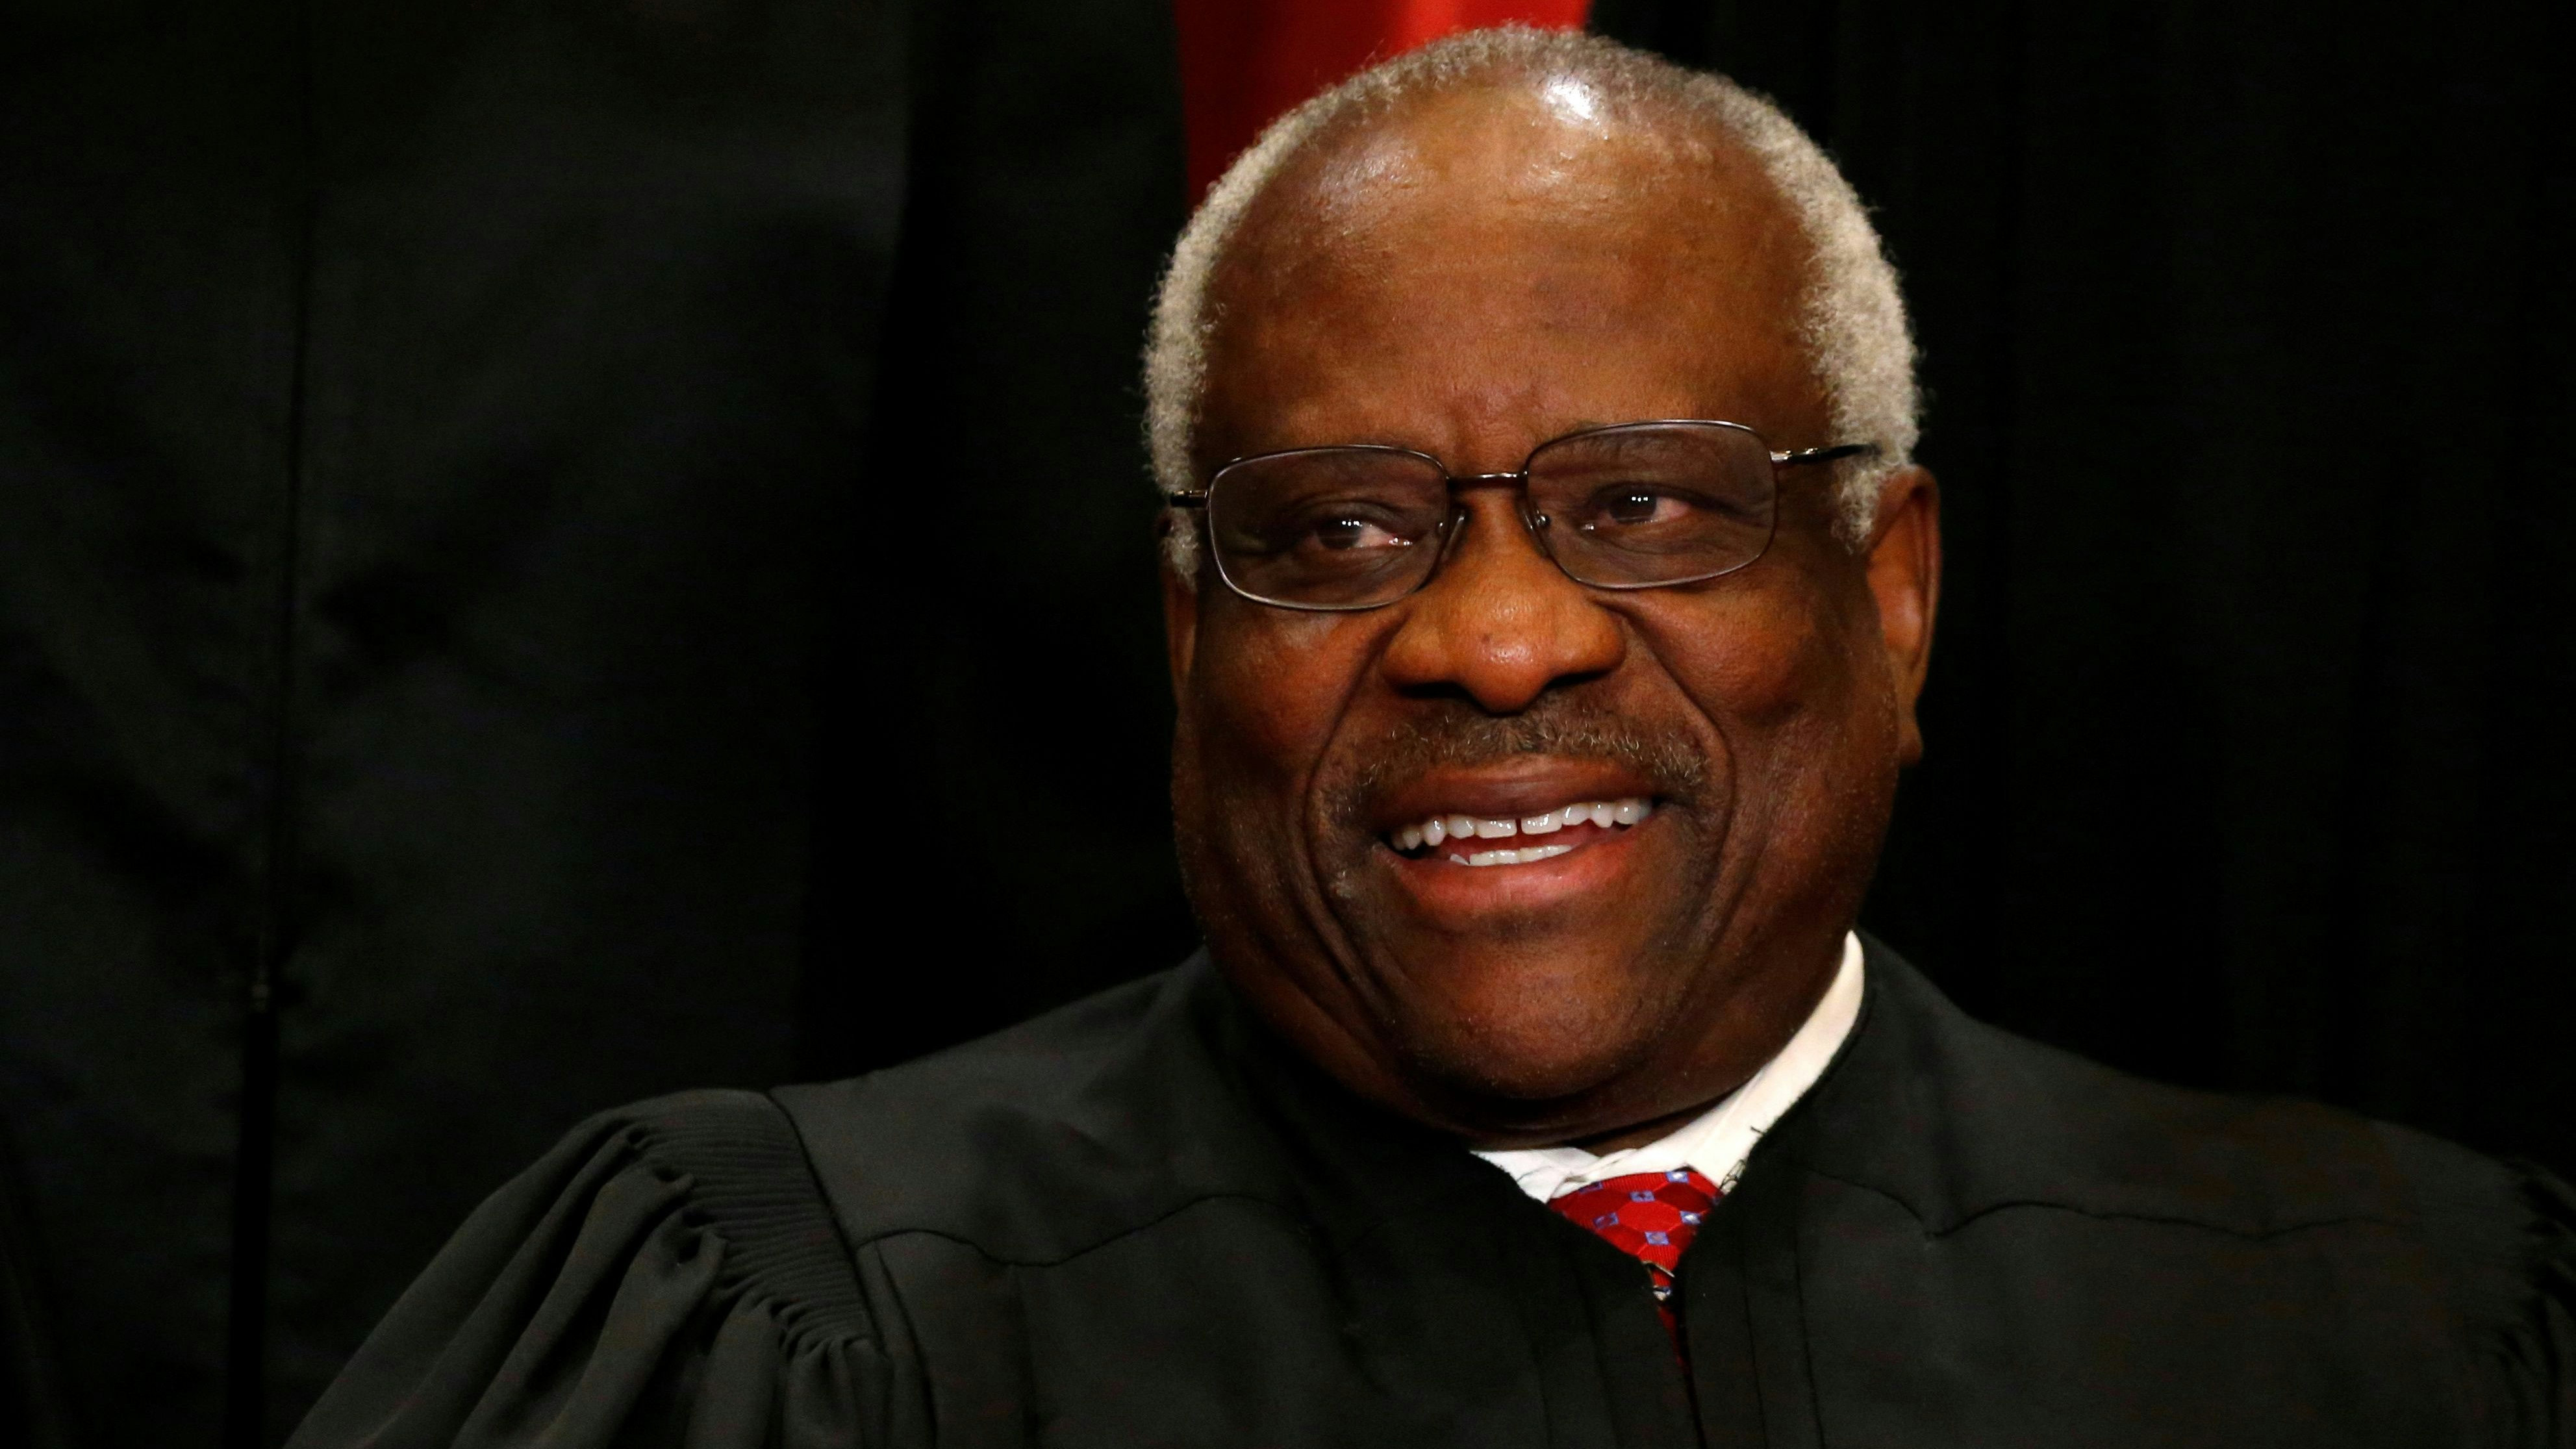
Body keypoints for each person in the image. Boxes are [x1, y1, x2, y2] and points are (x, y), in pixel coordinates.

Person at [287, 29, 2575, 1448]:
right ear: (1191, 639)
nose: (1492, 640)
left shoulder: (2388, 1325)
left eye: (1647, 505)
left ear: (1890, 593)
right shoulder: (791, 1335)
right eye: (1341, 527)